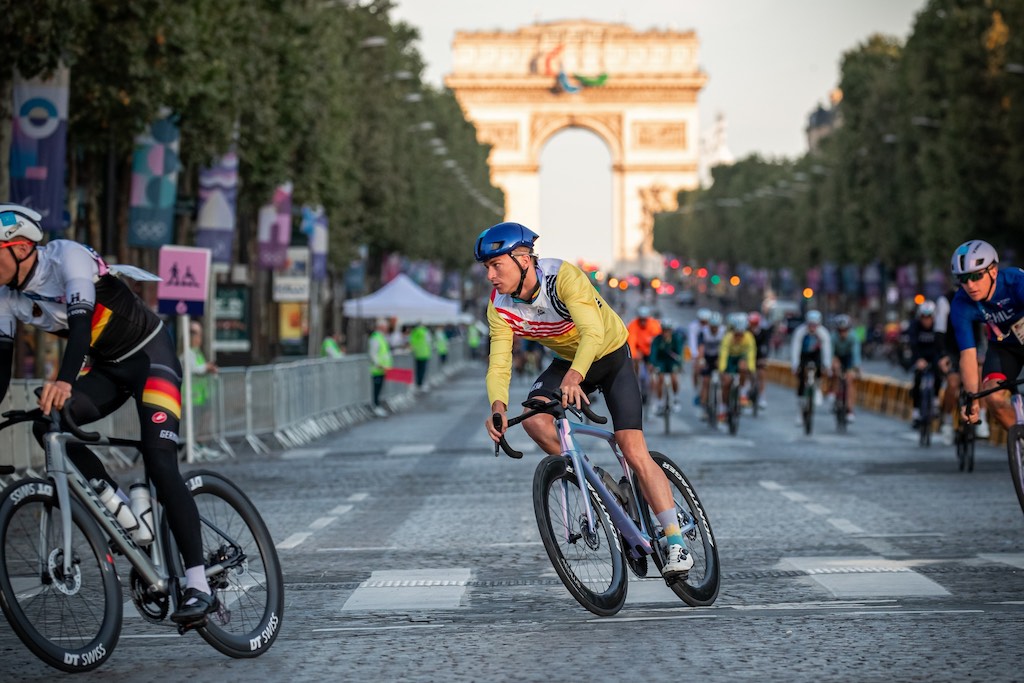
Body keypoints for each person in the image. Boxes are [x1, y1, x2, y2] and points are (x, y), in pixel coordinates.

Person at [0, 204, 215, 624]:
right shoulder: (5, 298)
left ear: (22, 247)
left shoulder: (67, 257)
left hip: (151, 358)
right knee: (49, 424)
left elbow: (81, 326)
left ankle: (199, 583)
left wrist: (63, 380)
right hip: (106, 369)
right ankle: (119, 508)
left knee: (159, 460)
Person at [477, 221, 693, 579]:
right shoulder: (499, 306)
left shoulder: (563, 278)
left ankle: (676, 543)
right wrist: (497, 407)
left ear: (523, 259)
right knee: (533, 418)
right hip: (567, 362)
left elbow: (592, 332)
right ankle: (596, 480)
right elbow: (499, 361)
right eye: (485, 267)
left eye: (495, 265)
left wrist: (577, 376)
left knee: (632, 448)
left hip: (609, 355)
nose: (490, 275)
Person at [949, 240, 1024, 433]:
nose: (970, 285)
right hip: (1003, 348)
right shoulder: (961, 303)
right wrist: (972, 397)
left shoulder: (1016, 282)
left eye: (976, 276)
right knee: (993, 398)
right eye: (963, 279)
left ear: (993, 271)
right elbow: (968, 355)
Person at [790, 309, 832, 427]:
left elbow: (826, 351)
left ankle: (817, 388)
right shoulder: (800, 332)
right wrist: (795, 365)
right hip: (804, 356)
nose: (812, 328)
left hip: (816, 355)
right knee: (801, 381)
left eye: (815, 325)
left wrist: (827, 365)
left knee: (820, 369)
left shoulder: (823, 333)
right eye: (810, 325)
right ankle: (799, 413)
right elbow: (795, 348)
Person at [907, 301, 945, 430]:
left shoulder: (938, 327)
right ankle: (916, 412)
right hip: (920, 354)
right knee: (917, 380)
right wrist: (918, 360)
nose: (926, 320)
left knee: (938, 373)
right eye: (924, 317)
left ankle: (935, 400)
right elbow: (913, 344)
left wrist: (941, 360)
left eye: (929, 317)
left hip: (934, 355)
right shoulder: (914, 326)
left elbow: (941, 345)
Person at [718, 313, 756, 421]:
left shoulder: (749, 338)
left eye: (741, 334)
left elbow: (751, 354)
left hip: (741, 358)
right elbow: (723, 354)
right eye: (736, 334)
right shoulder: (727, 338)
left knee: (743, 367)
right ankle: (723, 409)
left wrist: (751, 369)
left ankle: (743, 392)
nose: (738, 337)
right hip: (730, 358)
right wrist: (722, 369)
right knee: (726, 383)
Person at [829, 314, 861, 422]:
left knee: (849, 381)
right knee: (835, 369)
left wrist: (856, 366)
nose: (843, 333)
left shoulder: (853, 337)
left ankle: (850, 410)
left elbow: (856, 353)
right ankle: (833, 391)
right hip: (837, 357)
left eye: (845, 330)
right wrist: (832, 363)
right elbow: (830, 353)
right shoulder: (832, 337)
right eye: (840, 330)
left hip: (849, 359)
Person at [649, 320, 684, 415]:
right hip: (661, 361)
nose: (666, 333)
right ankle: (660, 402)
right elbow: (653, 353)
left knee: (674, 378)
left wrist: (680, 364)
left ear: (671, 331)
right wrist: (652, 364)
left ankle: (676, 398)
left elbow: (680, 352)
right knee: (659, 379)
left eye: (668, 330)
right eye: (664, 330)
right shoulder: (657, 340)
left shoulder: (676, 339)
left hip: (672, 361)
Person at [697, 311, 726, 420]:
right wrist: (701, 360)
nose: (714, 329)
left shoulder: (723, 332)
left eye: (716, 327)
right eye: (712, 327)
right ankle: (704, 407)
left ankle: (723, 406)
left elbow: (726, 347)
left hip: (719, 357)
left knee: (724, 379)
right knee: (705, 381)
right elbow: (700, 347)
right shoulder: (704, 332)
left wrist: (722, 360)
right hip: (707, 357)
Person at [186, 321, 218, 407]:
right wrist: (207, 367)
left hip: (200, 397)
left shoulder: (197, 353)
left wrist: (209, 368)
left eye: (199, 334)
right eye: (194, 334)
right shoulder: (187, 352)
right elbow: (193, 369)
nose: (197, 337)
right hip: (191, 398)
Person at [368, 318, 392, 417]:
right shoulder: (375, 338)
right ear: (381, 327)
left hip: (382, 369)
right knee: (376, 389)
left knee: (379, 389)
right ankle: (375, 406)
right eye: (385, 327)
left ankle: (377, 405)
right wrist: (378, 364)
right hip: (377, 369)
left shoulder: (381, 337)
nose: (387, 329)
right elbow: (373, 354)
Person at [748, 311, 772, 410]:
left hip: (760, 354)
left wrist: (764, 358)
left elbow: (766, 346)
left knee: (761, 374)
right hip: (749, 355)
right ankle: (746, 389)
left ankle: (762, 396)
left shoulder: (763, 332)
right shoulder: (746, 332)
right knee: (746, 371)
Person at [688, 308, 712, 403]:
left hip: (709, 351)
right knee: (696, 369)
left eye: (706, 322)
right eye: (702, 322)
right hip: (697, 351)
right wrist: (695, 355)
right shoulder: (693, 326)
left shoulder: (712, 327)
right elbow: (692, 341)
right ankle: (697, 390)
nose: (704, 324)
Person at [408, 322, 432, 388]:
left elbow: (411, 341)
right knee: (422, 369)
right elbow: (429, 341)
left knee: (417, 369)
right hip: (424, 353)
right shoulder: (425, 332)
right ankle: (420, 383)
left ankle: (418, 382)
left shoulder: (414, 332)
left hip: (417, 353)